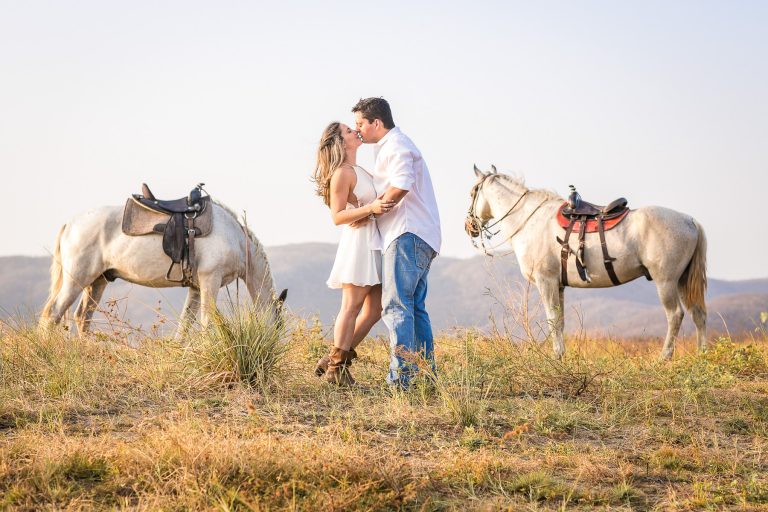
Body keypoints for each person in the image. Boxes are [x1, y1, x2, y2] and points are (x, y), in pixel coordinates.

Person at [352, 97, 442, 388]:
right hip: (418, 234)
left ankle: (402, 380)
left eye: (360, 124)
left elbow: (402, 183)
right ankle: (426, 378)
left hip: (406, 234)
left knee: (396, 306)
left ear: (376, 123)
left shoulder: (396, 146)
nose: (358, 130)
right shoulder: (393, 146)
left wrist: (378, 208)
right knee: (415, 308)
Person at [312, 121, 396, 386]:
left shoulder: (359, 169)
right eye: (349, 131)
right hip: (359, 243)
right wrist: (370, 209)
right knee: (351, 306)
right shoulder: (342, 173)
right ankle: (337, 369)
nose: (355, 132)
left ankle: (335, 358)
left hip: (373, 240)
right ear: (339, 142)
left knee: (375, 309)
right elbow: (337, 216)